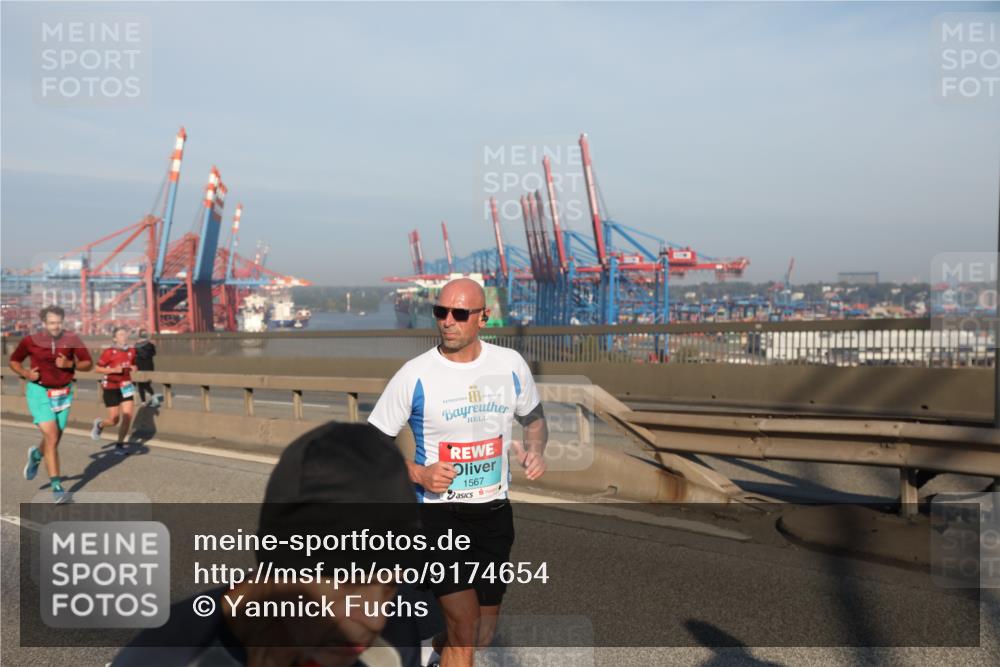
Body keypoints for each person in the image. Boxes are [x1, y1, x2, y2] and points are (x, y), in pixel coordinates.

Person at [113, 422, 424, 667]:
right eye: (347, 587)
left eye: (389, 587)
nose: (374, 619)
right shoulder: (165, 656)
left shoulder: (395, 640)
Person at [367, 278, 549, 667]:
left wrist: (536, 451)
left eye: (459, 313)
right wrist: (417, 474)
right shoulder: (414, 374)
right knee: (465, 626)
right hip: (436, 517)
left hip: (495, 514)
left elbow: (534, 419)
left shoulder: (510, 364)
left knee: (479, 634)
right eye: (441, 312)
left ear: (483, 317)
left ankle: (435, 651)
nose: (447, 321)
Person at [7, 305, 94, 503]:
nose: (56, 327)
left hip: (63, 393)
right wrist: (26, 373)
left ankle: (37, 455)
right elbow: (14, 361)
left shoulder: (72, 339)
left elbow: (88, 364)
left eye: (59, 323)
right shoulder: (30, 341)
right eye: (52, 323)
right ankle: (57, 487)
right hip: (39, 392)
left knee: (53, 439)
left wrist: (70, 364)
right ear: (44, 323)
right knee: (52, 437)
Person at [91, 326, 138, 455]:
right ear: (115, 338)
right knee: (114, 419)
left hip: (126, 386)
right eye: (121, 334)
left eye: (125, 334)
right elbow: (97, 369)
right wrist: (112, 370)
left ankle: (120, 445)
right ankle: (100, 425)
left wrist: (134, 367)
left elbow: (133, 363)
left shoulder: (132, 351)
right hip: (111, 387)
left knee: (128, 416)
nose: (124, 336)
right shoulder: (109, 352)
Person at [134, 328, 159, 407]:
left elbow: (135, 355)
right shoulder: (150, 345)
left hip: (140, 366)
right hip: (149, 366)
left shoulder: (136, 345)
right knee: (146, 384)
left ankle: (144, 401)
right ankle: (153, 398)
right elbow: (153, 353)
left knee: (141, 384)